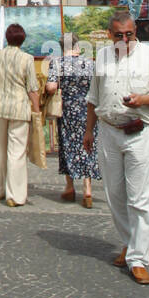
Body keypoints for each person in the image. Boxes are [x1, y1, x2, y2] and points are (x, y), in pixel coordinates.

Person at [83, 8, 149, 285]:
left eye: (130, 34)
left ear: (136, 32)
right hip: (108, 131)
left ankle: (139, 258)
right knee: (115, 195)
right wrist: (89, 131)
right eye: (119, 35)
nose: (125, 39)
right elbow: (93, 96)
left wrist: (143, 101)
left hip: (139, 132)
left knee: (140, 198)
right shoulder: (101, 55)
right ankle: (128, 241)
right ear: (110, 34)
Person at [0, 22, 40, 208]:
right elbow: (32, 87)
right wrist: (37, 109)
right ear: (22, 39)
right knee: (16, 152)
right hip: (19, 107)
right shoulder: (27, 59)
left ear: (6, 38)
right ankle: (14, 195)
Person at [48, 36, 99, 208]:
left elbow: (51, 87)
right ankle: (87, 189)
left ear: (62, 47)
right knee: (87, 145)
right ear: (78, 46)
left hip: (68, 110)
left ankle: (69, 187)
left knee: (68, 145)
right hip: (88, 110)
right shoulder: (90, 63)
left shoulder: (58, 63)